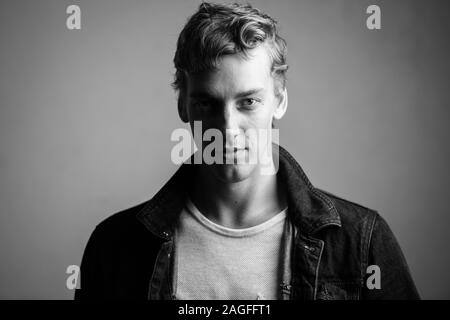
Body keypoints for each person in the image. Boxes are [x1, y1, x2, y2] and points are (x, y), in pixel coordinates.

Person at [75, 2, 419, 300]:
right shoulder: (115, 248)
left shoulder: (360, 241)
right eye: (207, 103)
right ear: (183, 105)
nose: (227, 127)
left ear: (280, 101)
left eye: (249, 102)